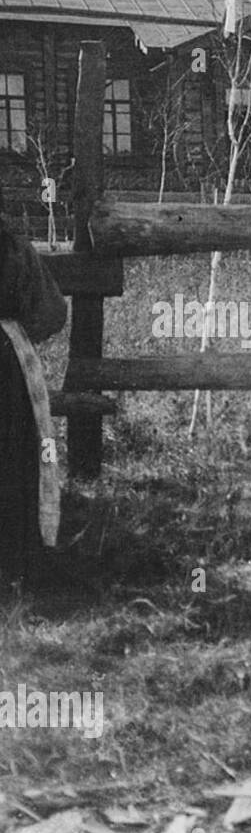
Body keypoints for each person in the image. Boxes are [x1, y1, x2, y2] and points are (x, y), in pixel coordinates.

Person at [0, 204, 66, 583]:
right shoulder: (13, 244)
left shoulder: (13, 246)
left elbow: (51, 311)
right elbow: (51, 313)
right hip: (9, 361)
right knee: (13, 458)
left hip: (7, 366)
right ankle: (13, 561)